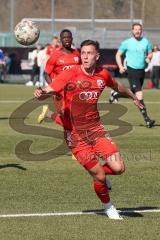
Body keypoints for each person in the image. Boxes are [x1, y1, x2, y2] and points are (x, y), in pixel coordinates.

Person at [34, 40, 142, 220]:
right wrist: (40, 93)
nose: (84, 56)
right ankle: (109, 207)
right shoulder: (71, 73)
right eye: (83, 53)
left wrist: (133, 97)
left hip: (95, 130)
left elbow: (118, 86)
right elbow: (50, 89)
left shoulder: (103, 75)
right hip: (75, 135)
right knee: (99, 175)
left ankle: (100, 177)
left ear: (97, 56)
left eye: (89, 53)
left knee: (119, 168)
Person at [109, 23, 155, 128]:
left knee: (133, 93)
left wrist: (149, 57)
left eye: (139, 29)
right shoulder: (127, 43)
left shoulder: (146, 41)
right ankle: (147, 120)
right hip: (131, 71)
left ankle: (115, 95)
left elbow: (150, 52)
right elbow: (118, 54)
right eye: (136, 29)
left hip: (141, 72)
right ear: (132, 31)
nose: (138, 31)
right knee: (139, 95)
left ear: (141, 30)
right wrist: (120, 66)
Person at [37, 29, 80, 124]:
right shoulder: (55, 55)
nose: (67, 39)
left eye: (68, 37)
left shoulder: (77, 54)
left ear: (72, 39)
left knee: (73, 120)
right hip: (60, 91)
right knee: (66, 117)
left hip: (74, 90)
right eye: (64, 38)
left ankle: (48, 114)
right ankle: (50, 114)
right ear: (61, 40)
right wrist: (53, 87)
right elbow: (46, 73)